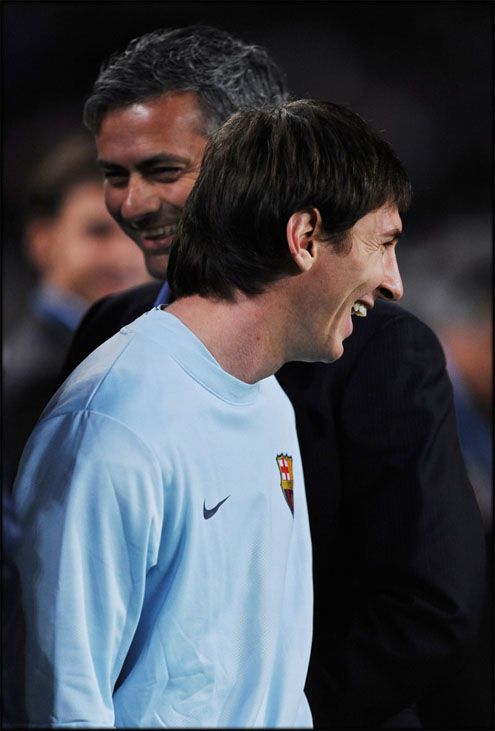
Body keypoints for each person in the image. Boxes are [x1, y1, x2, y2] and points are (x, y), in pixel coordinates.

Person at [58, 26, 486, 729]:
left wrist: (273, 712)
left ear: (253, 166)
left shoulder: (378, 349)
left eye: (163, 171)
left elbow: (427, 604)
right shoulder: (107, 334)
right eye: (114, 173)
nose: (131, 204)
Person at [13, 98, 412, 727]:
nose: (393, 281)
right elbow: (64, 705)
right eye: (381, 243)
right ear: (304, 237)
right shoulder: (110, 424)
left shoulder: (271, 403)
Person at [3, 133, 151, 488]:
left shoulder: (122, 355)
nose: (123, 256)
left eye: (136, 231)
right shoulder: (41, 380)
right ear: (42, 241)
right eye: (98, 232)